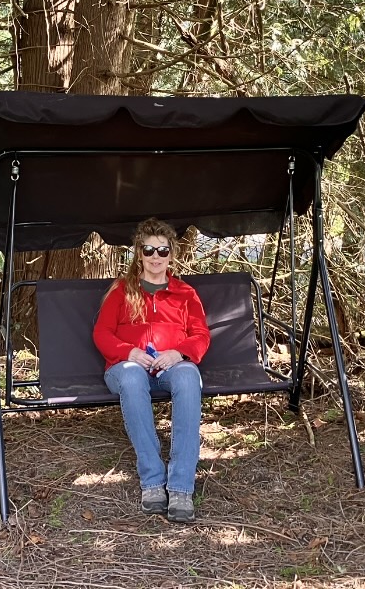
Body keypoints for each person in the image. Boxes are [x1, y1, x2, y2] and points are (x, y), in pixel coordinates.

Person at [93, 217, 210, 522]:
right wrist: (128, 352)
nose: (155, 257)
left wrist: (178, 353)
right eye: (148, 250)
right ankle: (153, 482)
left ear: (171, 254)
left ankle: (181, 487)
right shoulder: (121, 291)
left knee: (188, 375)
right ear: (139, 253)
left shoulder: (185, 294)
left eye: (162, 250)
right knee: (132, 376)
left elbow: (201, 335)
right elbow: (102, 333)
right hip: (126, 369)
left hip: (168, 369)